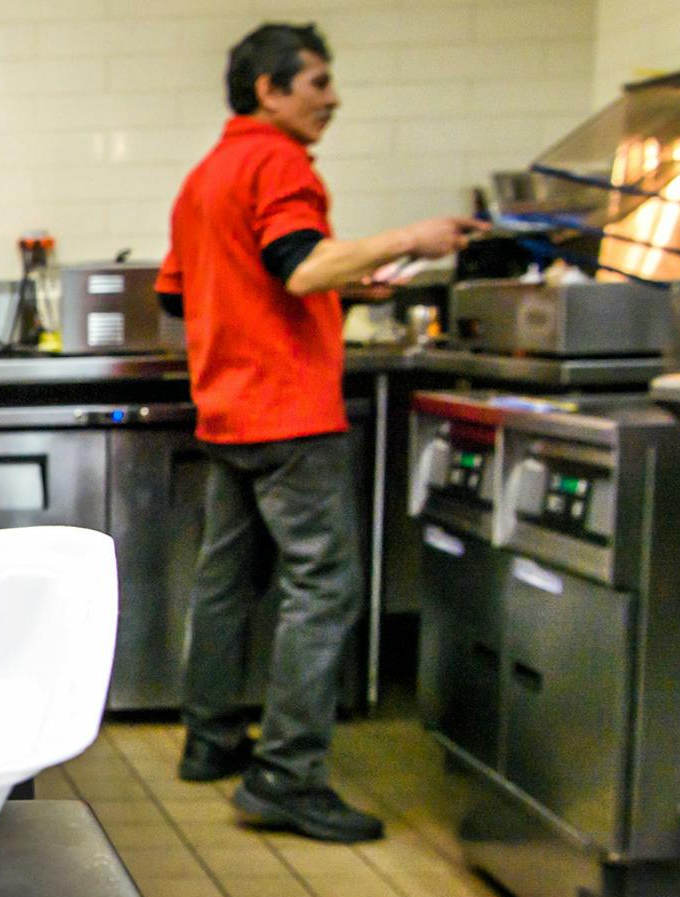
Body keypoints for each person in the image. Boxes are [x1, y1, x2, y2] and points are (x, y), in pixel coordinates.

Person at [155, 22, 482, 843]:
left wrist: (346, 290)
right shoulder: (278, 161)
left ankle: (210, 739)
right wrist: (414, 238)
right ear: (268, 89)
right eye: (317, 83)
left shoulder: (206, 175)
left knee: (226, 579)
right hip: (289, 412)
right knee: (325, 584)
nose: (333, 99)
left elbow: (178, 296)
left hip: (227, 408)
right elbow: (299, 264)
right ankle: (287, 777)